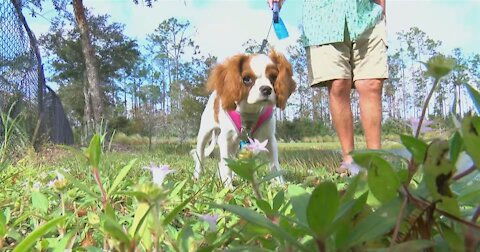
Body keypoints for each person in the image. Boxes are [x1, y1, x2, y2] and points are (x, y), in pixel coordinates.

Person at [268, 0, 388, 174]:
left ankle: (377, 162)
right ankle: (349, 160)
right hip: (324, 18)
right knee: (338, 83)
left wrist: (384, 10)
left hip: (368, 12)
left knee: (371, 84)